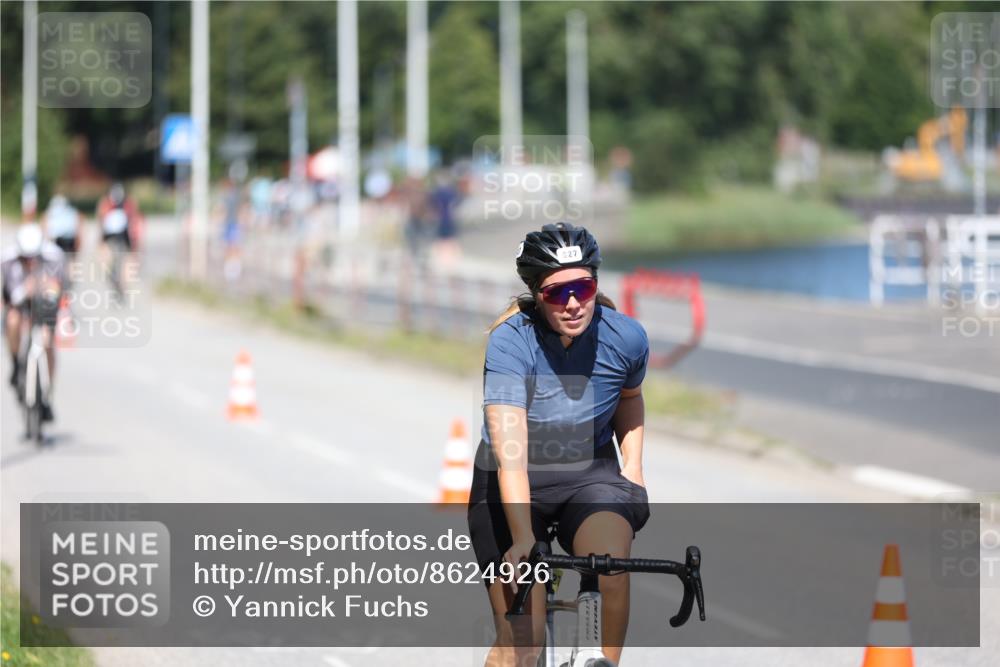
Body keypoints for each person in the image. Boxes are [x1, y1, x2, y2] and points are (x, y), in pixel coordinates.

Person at [467, 223, 650, 667]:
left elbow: (629, 398)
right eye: (555, 294)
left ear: (596, 284)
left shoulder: (626, 337)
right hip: (510, 483)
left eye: (582, 287)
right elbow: (511, 454)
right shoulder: (511, 342)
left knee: (610, 568)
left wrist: (634, 468)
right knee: (522, 648)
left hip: (589, 479)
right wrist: (524, 536)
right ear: (537, 294)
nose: (572, 303)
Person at [2, 224, 68, 421]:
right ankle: (15, 364)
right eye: (25, 259)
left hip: (45, 304)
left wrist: (49, 289)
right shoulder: (7, 261)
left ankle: (47, 391)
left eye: (34, 258)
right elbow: (10, 297)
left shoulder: (54, 258)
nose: (30, 263)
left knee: (47, 342)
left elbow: (62, 292)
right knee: (12, 321)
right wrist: (26, 289)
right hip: (18, 303)